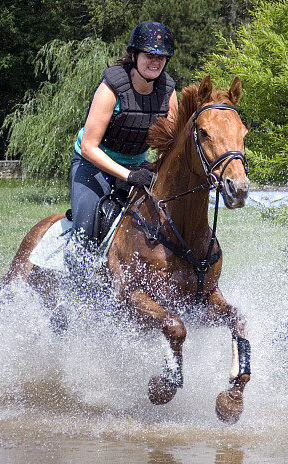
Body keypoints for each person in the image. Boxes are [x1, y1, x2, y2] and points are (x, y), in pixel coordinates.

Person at [66, 21, 178, 274]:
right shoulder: (111, 88)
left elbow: (168, 146)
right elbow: (88, 147)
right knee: (85, 229)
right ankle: (71, 299)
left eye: (161, 57)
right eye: (149, 55)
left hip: (137, 167)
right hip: (92, 165)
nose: (155, 62)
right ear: (134, 55)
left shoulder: (168, 92)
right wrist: (129, 175)